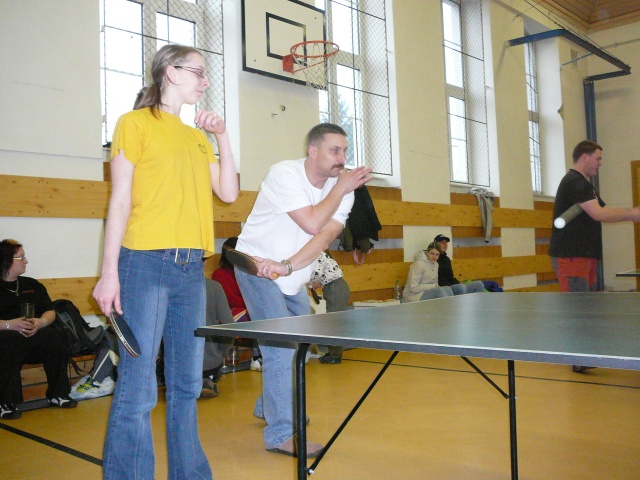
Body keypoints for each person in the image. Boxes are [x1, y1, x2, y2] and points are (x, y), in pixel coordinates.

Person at [92, 44, 239, 480]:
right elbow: (120, 201)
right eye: (198, 72)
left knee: (187, 386)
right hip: (144, 265)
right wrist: (108, 273)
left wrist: (222, 136)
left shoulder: (196, 137)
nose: (205, 82)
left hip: (191, 270)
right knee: (138, 389)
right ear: (171, 73)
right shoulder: (134, 123)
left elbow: (228, 192)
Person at [234, 123, 371, 457]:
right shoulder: (284, 174)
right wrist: (341, 188)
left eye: (345, 150)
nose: (342, 158)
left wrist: (289, 267)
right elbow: (311, 222)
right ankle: (281, 433)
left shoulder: (344, 191)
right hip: (256, 267)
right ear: (313, 151)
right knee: (281, 351)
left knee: (300, 349)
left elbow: (323, 238)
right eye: (335, 150)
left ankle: (269, 405)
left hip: (290, 274)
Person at [549, 140, 640, 373]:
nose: (600, 163)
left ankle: (585, 355)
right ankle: (579, 358)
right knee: (578, 309)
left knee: (586, 307)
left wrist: (632, 212)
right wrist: (632, 214)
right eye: (597, 158)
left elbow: (604, 209)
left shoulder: (585, 185)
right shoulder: (575, 182)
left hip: (584, 257)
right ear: (585, 157)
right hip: (572, 256)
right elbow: (599, 214)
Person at [0, 239, 78, 420]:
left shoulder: (32, 285)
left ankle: (58, 394)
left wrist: (40, 322)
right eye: (21, 257)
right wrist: (10, 324)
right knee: (8, 341)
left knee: (56, 337)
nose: (25, 261)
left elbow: (50, 311)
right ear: (6, 261)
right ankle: (5, 402)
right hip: (6, 338)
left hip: (31, 337)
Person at [212, 236, 262, 371]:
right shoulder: (220, 274)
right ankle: (256, 356)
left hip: (245, 309)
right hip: (229, 313)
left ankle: (261, 355)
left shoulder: (246, 274)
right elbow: (230, 300)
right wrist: (253, 304)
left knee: (261, 314)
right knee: (255, 315)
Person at [309, 251, 351, 364]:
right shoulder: (322, 254)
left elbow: (316, 274)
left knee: (334, 324)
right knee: (335, 322)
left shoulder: (316, 254)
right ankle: (333, 352)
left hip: (334, 288)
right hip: (338, 287)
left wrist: (311, 284)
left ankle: (335, 355)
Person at [200, 278, 234, 398]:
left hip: (173, 363)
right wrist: (221, 353)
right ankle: (206, 379)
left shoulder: (164, 285)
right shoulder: (213, 286)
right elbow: (229, 327)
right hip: (210, 361)